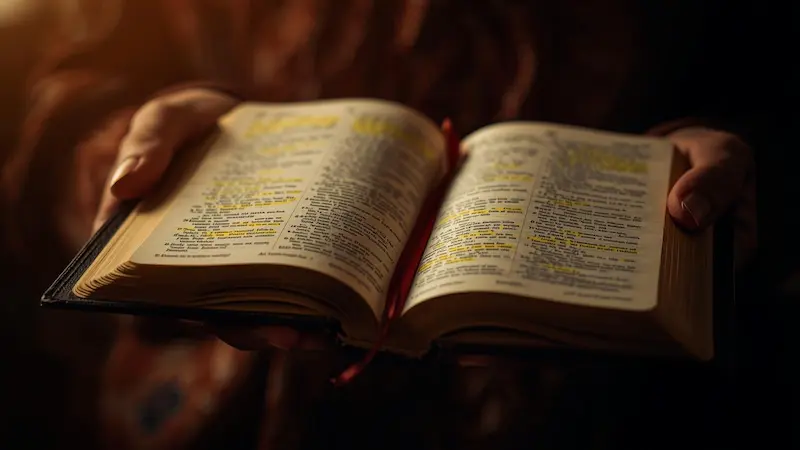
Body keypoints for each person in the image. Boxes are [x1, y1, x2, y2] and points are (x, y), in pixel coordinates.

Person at [2, 0, 760, 449]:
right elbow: (77, 69)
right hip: (231, 402)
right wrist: (135, 141)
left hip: (589, 411)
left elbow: (758, 96)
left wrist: (733, 180)